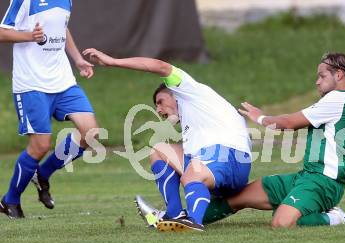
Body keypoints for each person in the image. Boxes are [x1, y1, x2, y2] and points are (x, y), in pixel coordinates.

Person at [82, 48, 252, 232]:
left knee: (192, 173)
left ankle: (192, 223)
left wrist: (113, 62)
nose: (159, 110)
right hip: (218, 172)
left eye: (160, 101)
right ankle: (174, 214)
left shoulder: (189, 90)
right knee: (159, 150)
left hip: (230, 160)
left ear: (173, 92)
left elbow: (160, 66)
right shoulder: (196, 118)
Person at [202, 52, 345, 228]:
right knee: (237, 198)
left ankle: (336, 218)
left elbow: (289, 123)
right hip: (307, 177)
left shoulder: (338, 99)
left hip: (321, 183)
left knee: (281, 222)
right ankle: (187, 218)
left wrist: (261, 118)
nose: (317, 82)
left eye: (322, 76)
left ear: (339, 74)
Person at [0, 0, 99, 218]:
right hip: (32, 85)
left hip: (63, 81)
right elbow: (2, 32)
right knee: (40, 146)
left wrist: (78, 59)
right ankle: (10, 201)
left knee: (90, 133)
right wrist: (30, 36)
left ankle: (43, 174)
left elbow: (61, 28)